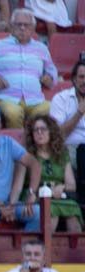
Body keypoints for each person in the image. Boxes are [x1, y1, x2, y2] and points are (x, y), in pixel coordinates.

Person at [0, 9, 55, 131]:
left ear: (33, 29)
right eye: (18, 24)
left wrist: (50, 77)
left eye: (26, 25)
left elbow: (52, 71)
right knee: (13, 113)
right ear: (11, 27)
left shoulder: (42, 48)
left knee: (51, 109)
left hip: (35, 99)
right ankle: (18, 147)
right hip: (7, 97)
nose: (22, 28)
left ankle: (33, 143)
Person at [19, 115, 83, 233]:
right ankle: (46, 248)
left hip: (58, 195)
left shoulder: (61, 154)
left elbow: (71, 185)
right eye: (35, 130)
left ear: (51, 132)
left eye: (43, 129)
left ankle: (76, 250)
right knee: (50, 211)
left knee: (72, 209)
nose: (39, 133)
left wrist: (62, 187)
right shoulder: (27, 154)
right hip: (35, 194)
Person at [50, 60, 85, 195]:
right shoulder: (60, 99)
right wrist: (79, 113)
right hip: (69, 148)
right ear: (74, 79)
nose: (84, 81)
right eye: (82, 77)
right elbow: (56, 136)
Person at [1, 239, 78, 272]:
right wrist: (25, 268)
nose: (32, 258)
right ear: (22, 258)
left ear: (44, 259)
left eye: (37, 254)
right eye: (28, 254)